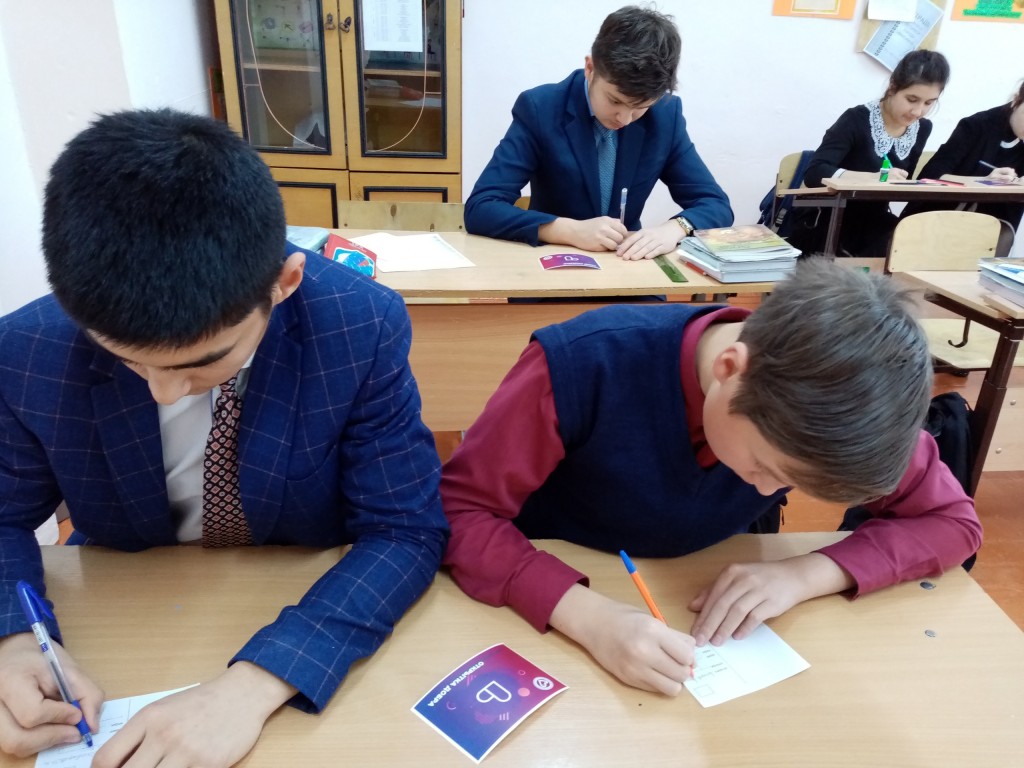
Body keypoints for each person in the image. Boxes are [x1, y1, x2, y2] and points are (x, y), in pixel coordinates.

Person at [0, 109, 448, 765]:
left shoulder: (358, 326)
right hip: (131, 604)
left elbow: (405, 530)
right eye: (127, 360)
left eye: (200, 362)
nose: (163, 392)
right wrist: (13, 640)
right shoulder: (27, 351)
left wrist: (255, 686)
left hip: (299, 590)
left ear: (284, 284)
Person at [440, 260, 981, 696]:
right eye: (765, 467)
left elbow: (953, 522)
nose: (765, 491)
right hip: (558, 593)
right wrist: (585, 616)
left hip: (698, 589)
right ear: (729, 369)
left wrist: (806, 574)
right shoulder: (581, 364)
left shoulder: (850, 410)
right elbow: (457, 510)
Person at [464, 5, 732, 261]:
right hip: (552, 264)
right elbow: (481, 207)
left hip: (625, 267)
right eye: (615, 101)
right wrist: (568, 230)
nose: (625, 119)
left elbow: (715, 204)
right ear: (590, 68)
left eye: (640, 107)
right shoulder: (541, 108)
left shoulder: (665, 116)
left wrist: (676, 228)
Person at [788, 50, 950, 259]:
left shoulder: (922, 128)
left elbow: (903, 179)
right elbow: (815, 172)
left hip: (874, 221)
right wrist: (874, 177)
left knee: (915, 241)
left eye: (929, 103)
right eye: (912, 99)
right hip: (830, 221)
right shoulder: (856, 119)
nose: (918, 111)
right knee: (891, 248)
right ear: (893, 86)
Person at [902, 79, 1024, 226]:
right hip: (935, 219)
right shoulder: (976, 125)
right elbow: (929, 177)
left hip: (990, 227)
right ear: (1016, 99)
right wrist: (982, 182)